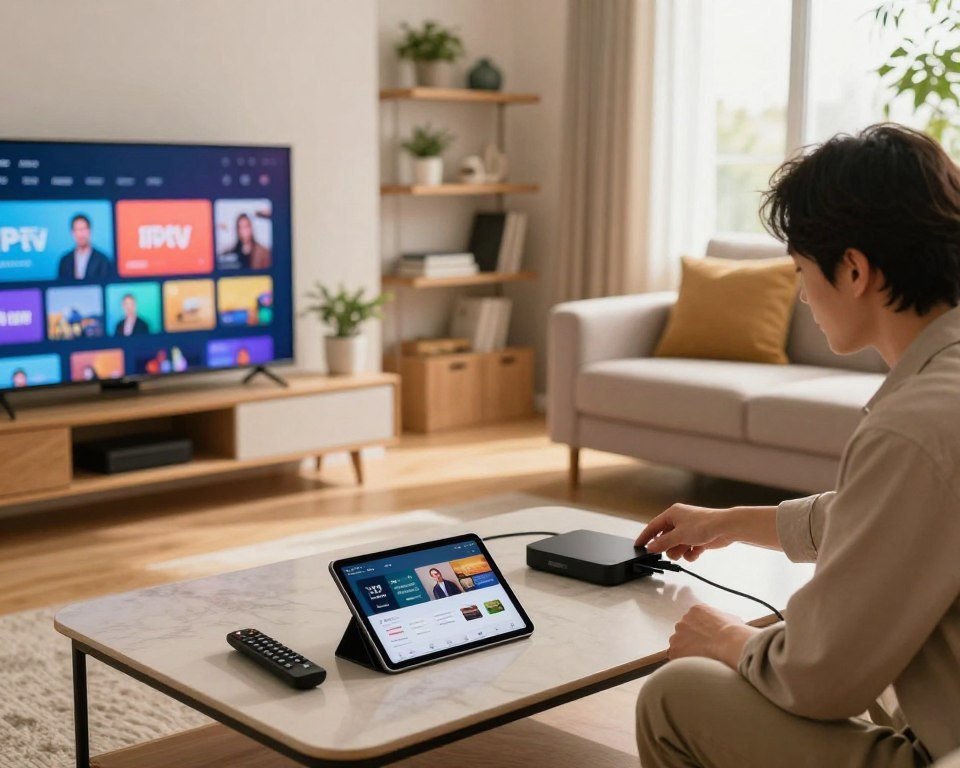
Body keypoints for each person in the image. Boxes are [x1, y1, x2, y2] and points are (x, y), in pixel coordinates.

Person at [634, 124, 960, 767]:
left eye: (801, 271)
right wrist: (729, 522)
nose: (803, 294)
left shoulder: (915, 423)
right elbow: (895, 517)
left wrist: (725, 638)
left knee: (677, 693)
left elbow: (820, 680)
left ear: (855, 269)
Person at [57, 214, 111, 282]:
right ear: (72, 233)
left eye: (83, 229)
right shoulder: (64, 261)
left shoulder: (103, 260)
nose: (81, 234)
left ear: (89, 231)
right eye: (77, 230)